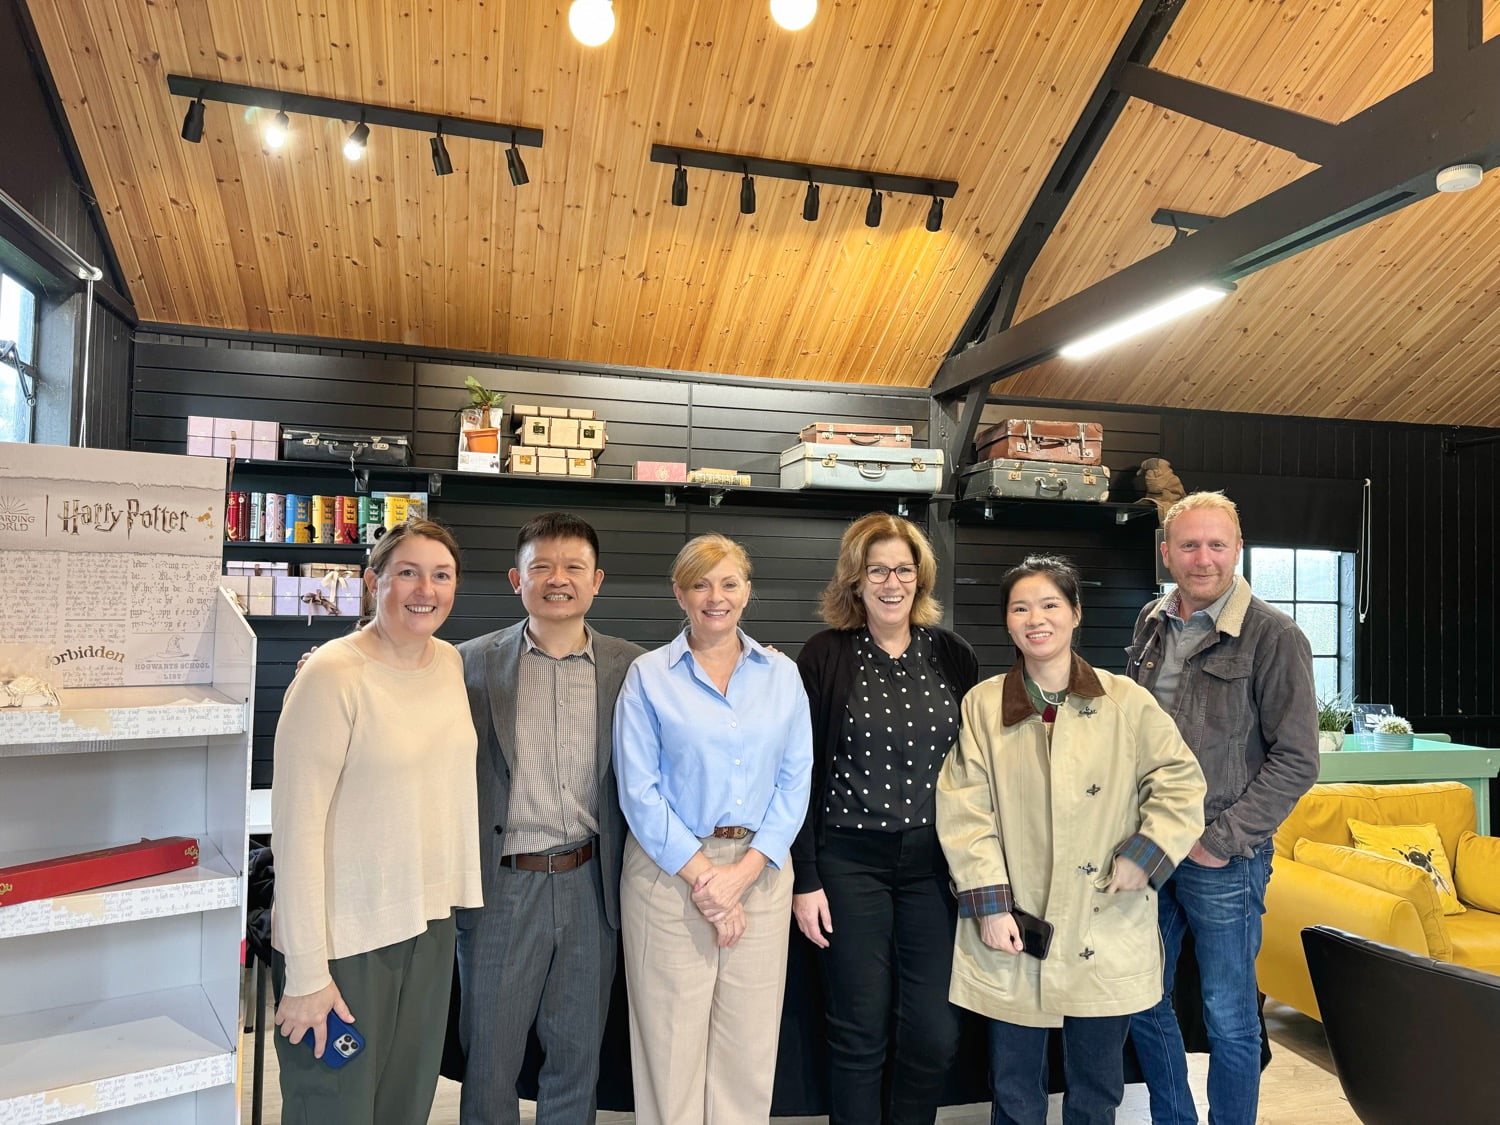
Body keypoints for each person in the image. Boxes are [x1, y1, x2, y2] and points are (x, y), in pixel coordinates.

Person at [937, 554, 1206, 1125]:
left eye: (1050, 604)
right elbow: (966, 810)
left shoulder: (1125, 701)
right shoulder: (984, 704)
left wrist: (1145, 855)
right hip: (1017, 921)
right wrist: (988, 904)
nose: (1036, 618)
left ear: (1076, 613)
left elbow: (1181, 783)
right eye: (1021, 607)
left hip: (1105, 917)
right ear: (1008, 622)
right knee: (1013, 1086)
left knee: (1096, 1086)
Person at [271, 518, 482, 1124]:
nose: (426, 589)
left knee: (404, 1103)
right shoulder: (332, 674)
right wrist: (308, 972)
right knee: (333, 1106)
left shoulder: (447, 664)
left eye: (441, 575)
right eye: (407, 573)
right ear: (372, 582)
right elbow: (296, 829)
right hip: (345, 937)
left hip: (427, 923)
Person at [1126, 492, 1319, 1125]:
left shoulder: (1275, 636)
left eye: (1216, 544)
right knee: (1141, 997)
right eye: (1188, 544)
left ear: (1238, 549)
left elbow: (1296, 761)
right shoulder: (1150, 625)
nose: (1202, 558)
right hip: (1150, 851)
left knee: (1231, 1018)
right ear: (1166, 552)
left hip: (1223, 858)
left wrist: (1220, 840)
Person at [612, 533, 814, 1125]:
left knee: (748, 1046)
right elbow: (638, 790)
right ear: (680, 594)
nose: (715, 596)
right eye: (700, 583)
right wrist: (707, 880)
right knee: (669, 1044)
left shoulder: (783, 675)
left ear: (748, 592)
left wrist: (744, 875)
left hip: (762, 872)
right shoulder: (648, 676)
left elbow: (793, 783)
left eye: (728, 583)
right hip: (669, 873)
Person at [790, 512, 980, 1125]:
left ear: (920, 577)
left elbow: (975, 771)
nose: (892, 582)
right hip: (848, 863)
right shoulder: (824, 655)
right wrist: (806, 876)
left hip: (932, 868)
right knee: (858, 1029)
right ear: (856, 579)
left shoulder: (953, 655)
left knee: (933, 1031)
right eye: (878, 570)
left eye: (903, 569)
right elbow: (801, 773)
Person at [455, 512, 644, 1125]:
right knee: (489, 1056)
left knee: (577, 1056)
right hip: (501, 886)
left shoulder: (634, 669)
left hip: (593, 883)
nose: (557, 579)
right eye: (542, 567)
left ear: (597, 581)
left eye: (573, 568)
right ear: (517, 579)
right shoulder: (467, 665)